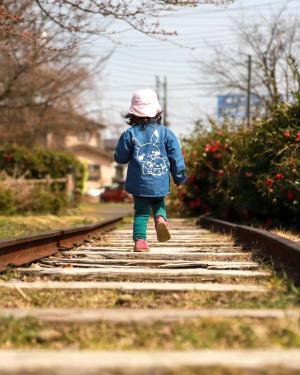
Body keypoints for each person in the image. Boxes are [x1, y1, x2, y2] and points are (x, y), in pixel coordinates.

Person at [114, 89, 186, 252]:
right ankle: (161, 219)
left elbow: (120, 158)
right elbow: (176, 157)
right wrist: (179, 178)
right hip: (159, 181)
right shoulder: (166, 133)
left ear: (133, 114)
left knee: (141, 212)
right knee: (159, 202)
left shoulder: (130, 134)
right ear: (157, 111)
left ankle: (140, 242)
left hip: (139, 183)